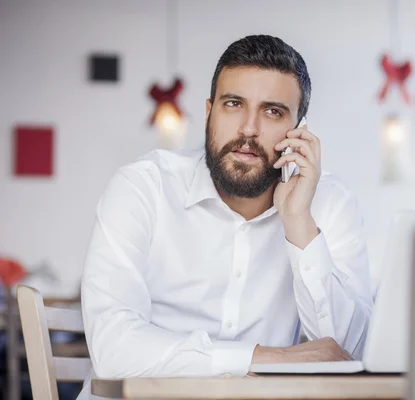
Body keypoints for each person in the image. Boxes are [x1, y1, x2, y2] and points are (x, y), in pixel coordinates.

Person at [77, 34, 372, 399]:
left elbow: (347, 356)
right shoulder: (143, 187)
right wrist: (264, 358)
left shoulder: (329, 202)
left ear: (299, 130)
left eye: (272, 111)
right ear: (209, 112)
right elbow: (113, 348)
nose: (249, 128)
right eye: (234, 104)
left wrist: (299, 223)